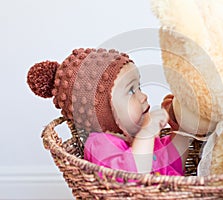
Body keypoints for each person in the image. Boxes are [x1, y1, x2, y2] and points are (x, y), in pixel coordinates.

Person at [27, 48, 189, 176]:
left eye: (139, 87)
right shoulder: (100, 144)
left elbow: (174, 165)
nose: (143, 96)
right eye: (132, 91)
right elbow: (130, 176)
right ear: (102, 113)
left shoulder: (142, 138)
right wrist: (146, 134)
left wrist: (180, 126)